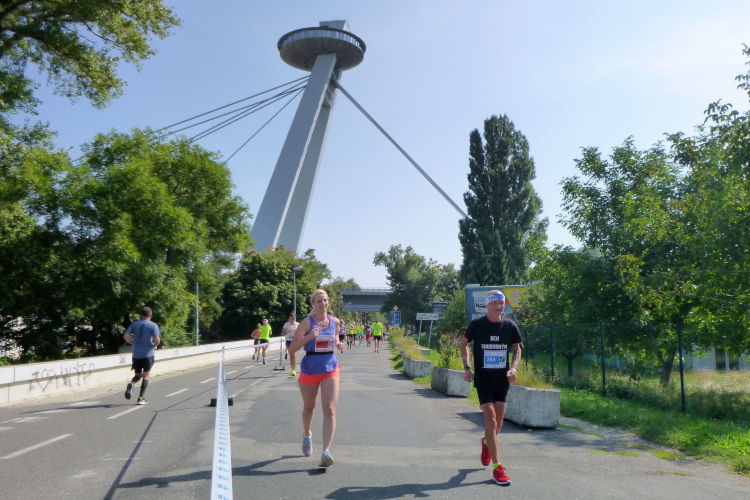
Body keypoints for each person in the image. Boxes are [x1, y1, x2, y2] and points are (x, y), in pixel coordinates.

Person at [460, 290, 522, 486]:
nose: (498, 306)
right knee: (491, 420)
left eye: (501, 303)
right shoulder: (477, 325)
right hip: (484, 380)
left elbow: (517, 348)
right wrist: (467, 367)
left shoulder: (509, 326)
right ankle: (497, 467)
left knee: (498, 425)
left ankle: (487, 442)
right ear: (487, 305)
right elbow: (464, 343)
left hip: (502, 380)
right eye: (494, 302)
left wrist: (514, 368)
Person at [288, 289, 344, 468]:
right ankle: (307, 434)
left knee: (330, 409)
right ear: (313, 304)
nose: (323, 304)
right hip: (310, 368)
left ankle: (326, 452)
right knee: (309, 408)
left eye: (325, 300)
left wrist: (338, 343)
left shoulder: (334, 321)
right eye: (319, 301)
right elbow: (292, 349)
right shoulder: (306, 322)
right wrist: (309, 337)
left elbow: (335, 337)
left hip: (330, 366)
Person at [123, 307, 161, 405]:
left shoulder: (134, 324)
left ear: (141, 315)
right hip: (148, 354)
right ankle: (140, 398)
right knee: (146, 376)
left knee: (138, 375)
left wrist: (132, 342)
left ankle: (132, 383)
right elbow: (157, 340)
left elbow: (126, 336)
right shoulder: (153, 325)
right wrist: (153, 346)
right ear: (151, 315)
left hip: (136, 354)